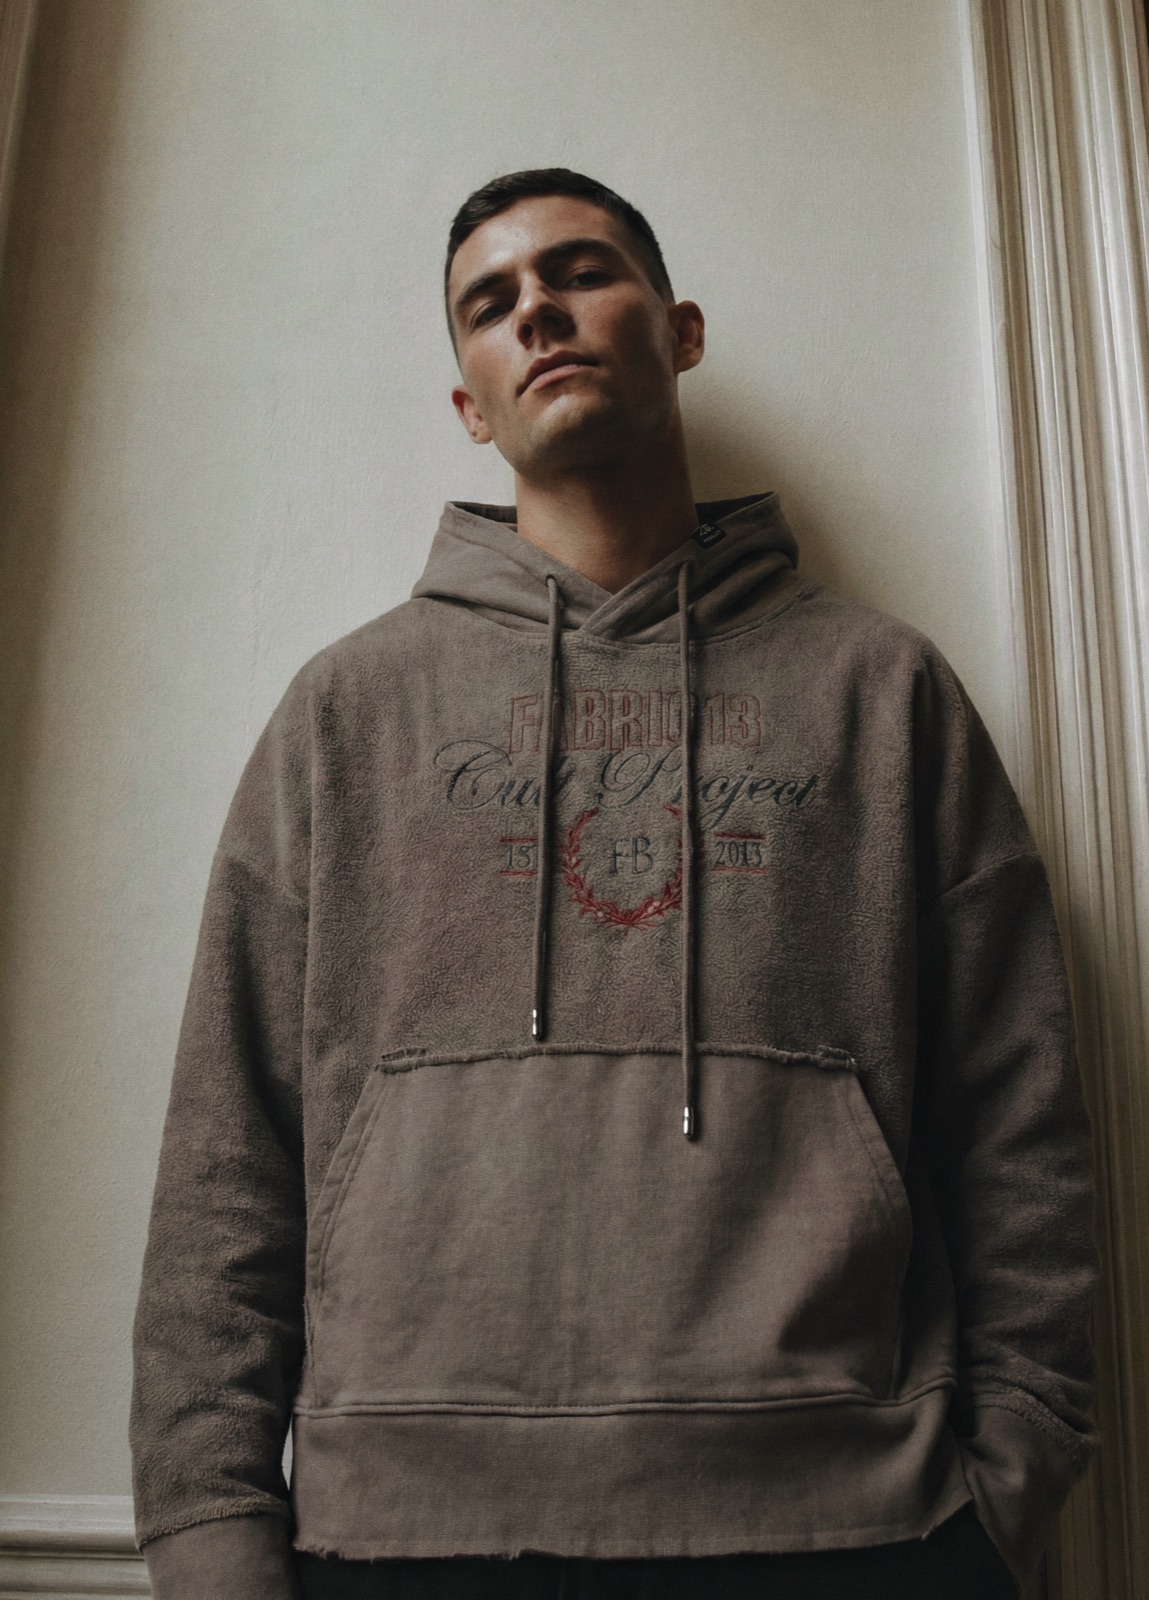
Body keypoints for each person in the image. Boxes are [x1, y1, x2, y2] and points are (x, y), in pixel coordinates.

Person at [130, 168, 1098, 1600]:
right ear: (468, 405)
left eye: (580, 272)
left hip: (848, 1520)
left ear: (680, 330)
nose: (536, 310)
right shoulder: (349, 711)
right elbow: (231, 1141)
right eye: (490, 303)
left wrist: (1014, 1469)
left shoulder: (880, 689)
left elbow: (1019, 1111)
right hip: (404, 1528)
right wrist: (209, 1533)